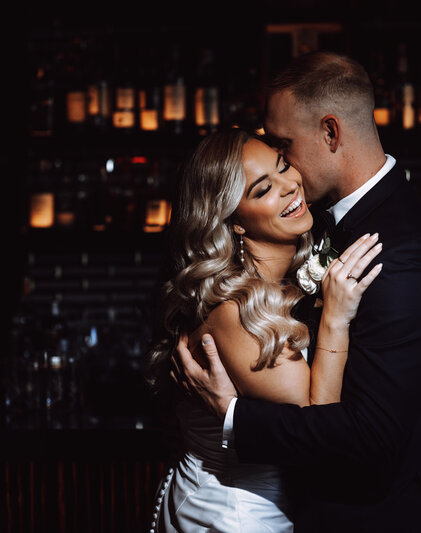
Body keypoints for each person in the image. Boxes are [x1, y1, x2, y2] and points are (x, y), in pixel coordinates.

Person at [173, 50, 421, 532]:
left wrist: (233, 418)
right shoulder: (318, 226)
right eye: (265, 183)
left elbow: (369, 439)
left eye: (284, 150)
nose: (291, 181)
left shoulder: (403, 255)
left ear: (330, 132)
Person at [146, 127, 384, 532]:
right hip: (234, 514)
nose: (290, 186)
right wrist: (335, 320)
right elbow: (316, 428)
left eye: (283, 167)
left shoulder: (274, 286)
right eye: (262, 190)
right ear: (234, 222)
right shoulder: (236, 311)